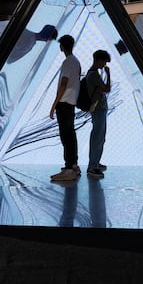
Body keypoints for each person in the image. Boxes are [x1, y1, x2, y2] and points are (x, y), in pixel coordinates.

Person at [49, 34, 81, 182]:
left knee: (66, 135)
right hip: (71, 102)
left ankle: (69, 169)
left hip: (64, 102)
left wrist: (54, 104)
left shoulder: (68, 62)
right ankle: (73, 165)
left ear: (62, 46)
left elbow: (64, 83)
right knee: (70, 135)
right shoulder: (76, 62)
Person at [85, 49, 111, 179]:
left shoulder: (92, 73)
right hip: (99, 109)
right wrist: (108, 74)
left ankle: (95, 162)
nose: (104, 64)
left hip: (98, 109)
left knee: (99, 137)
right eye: (104, 61)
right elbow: (107, 89)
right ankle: (93, 166)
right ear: (99, 60)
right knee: (98, 138)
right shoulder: (94, 75)